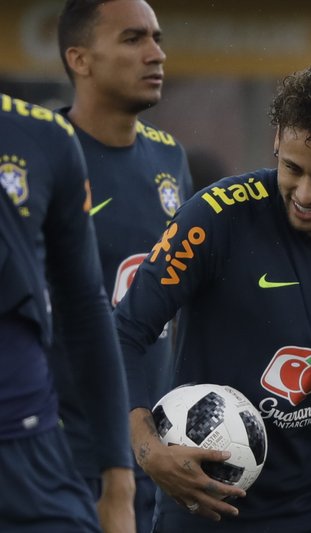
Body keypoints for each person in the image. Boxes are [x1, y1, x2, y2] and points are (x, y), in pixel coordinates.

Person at [114, 63, 311, 532]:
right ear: (276, 139)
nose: (305, 192)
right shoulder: (212, 218)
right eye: (292, 169)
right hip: (204, 502)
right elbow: (124, 332)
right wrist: (149, 453)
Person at [55, 1, 193, 530]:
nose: (156, 54)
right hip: (52, 450)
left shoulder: (169, 159)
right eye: (134, 39)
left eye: (157, 38)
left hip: (148, 452)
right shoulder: (39, 155)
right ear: (81, 59)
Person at [0, 94, 134, 532]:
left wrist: (118, 484)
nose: (156, 53)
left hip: (28, 451)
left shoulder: (41, 136)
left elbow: (84, 308)